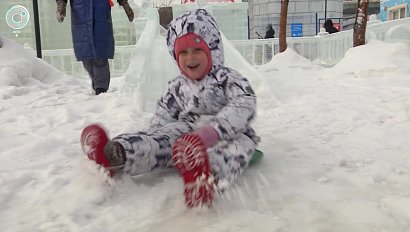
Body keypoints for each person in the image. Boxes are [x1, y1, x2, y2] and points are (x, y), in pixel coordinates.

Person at [80, 9, 260, 208]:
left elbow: (244, 103)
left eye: (198, 50)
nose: (190, 58)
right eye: (183, 52)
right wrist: (154, 140)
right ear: (175, 56)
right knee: (162, 138)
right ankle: (117, 154)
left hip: (227, 134)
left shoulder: (227, 79)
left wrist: (212, 132)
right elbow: (163, 116)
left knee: (237, 149)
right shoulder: (177, 86)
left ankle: (204, 178)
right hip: (187, 136)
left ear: (213, 49)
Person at [55, 0, 134, 95]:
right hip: (80, 13)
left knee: (100, 55)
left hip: (100, 10)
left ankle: (101, 87)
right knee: (86, 56)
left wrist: (125, 5)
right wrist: (61, 7)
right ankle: (97, 81)